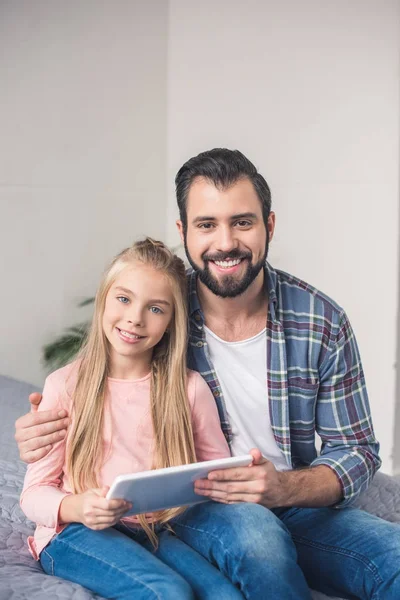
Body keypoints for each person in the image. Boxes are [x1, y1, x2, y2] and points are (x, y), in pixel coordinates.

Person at [16, 149, 400, 599]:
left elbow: (355, 450)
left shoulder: (321, 321)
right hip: (199, 506)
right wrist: (41, 432)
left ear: (268, 226)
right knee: (257, 542)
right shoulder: (159, 309)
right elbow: (101, 376)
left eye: (242, 222)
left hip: (292, 500)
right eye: (206, 224)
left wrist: (283, 487)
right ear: (183, 232)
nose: (225, 242)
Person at [20, 237, 302, 600]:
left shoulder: (189, 389)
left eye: (155, 309)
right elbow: (34, 493)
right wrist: (75, 507)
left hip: (155, 529)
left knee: (223, 595)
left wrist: (241, 475)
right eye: (123, 299)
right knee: (168, 591)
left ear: (171, 321)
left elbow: (212, 475)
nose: (135, 318)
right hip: (73, 532)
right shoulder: (65, 385)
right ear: (104, 299)